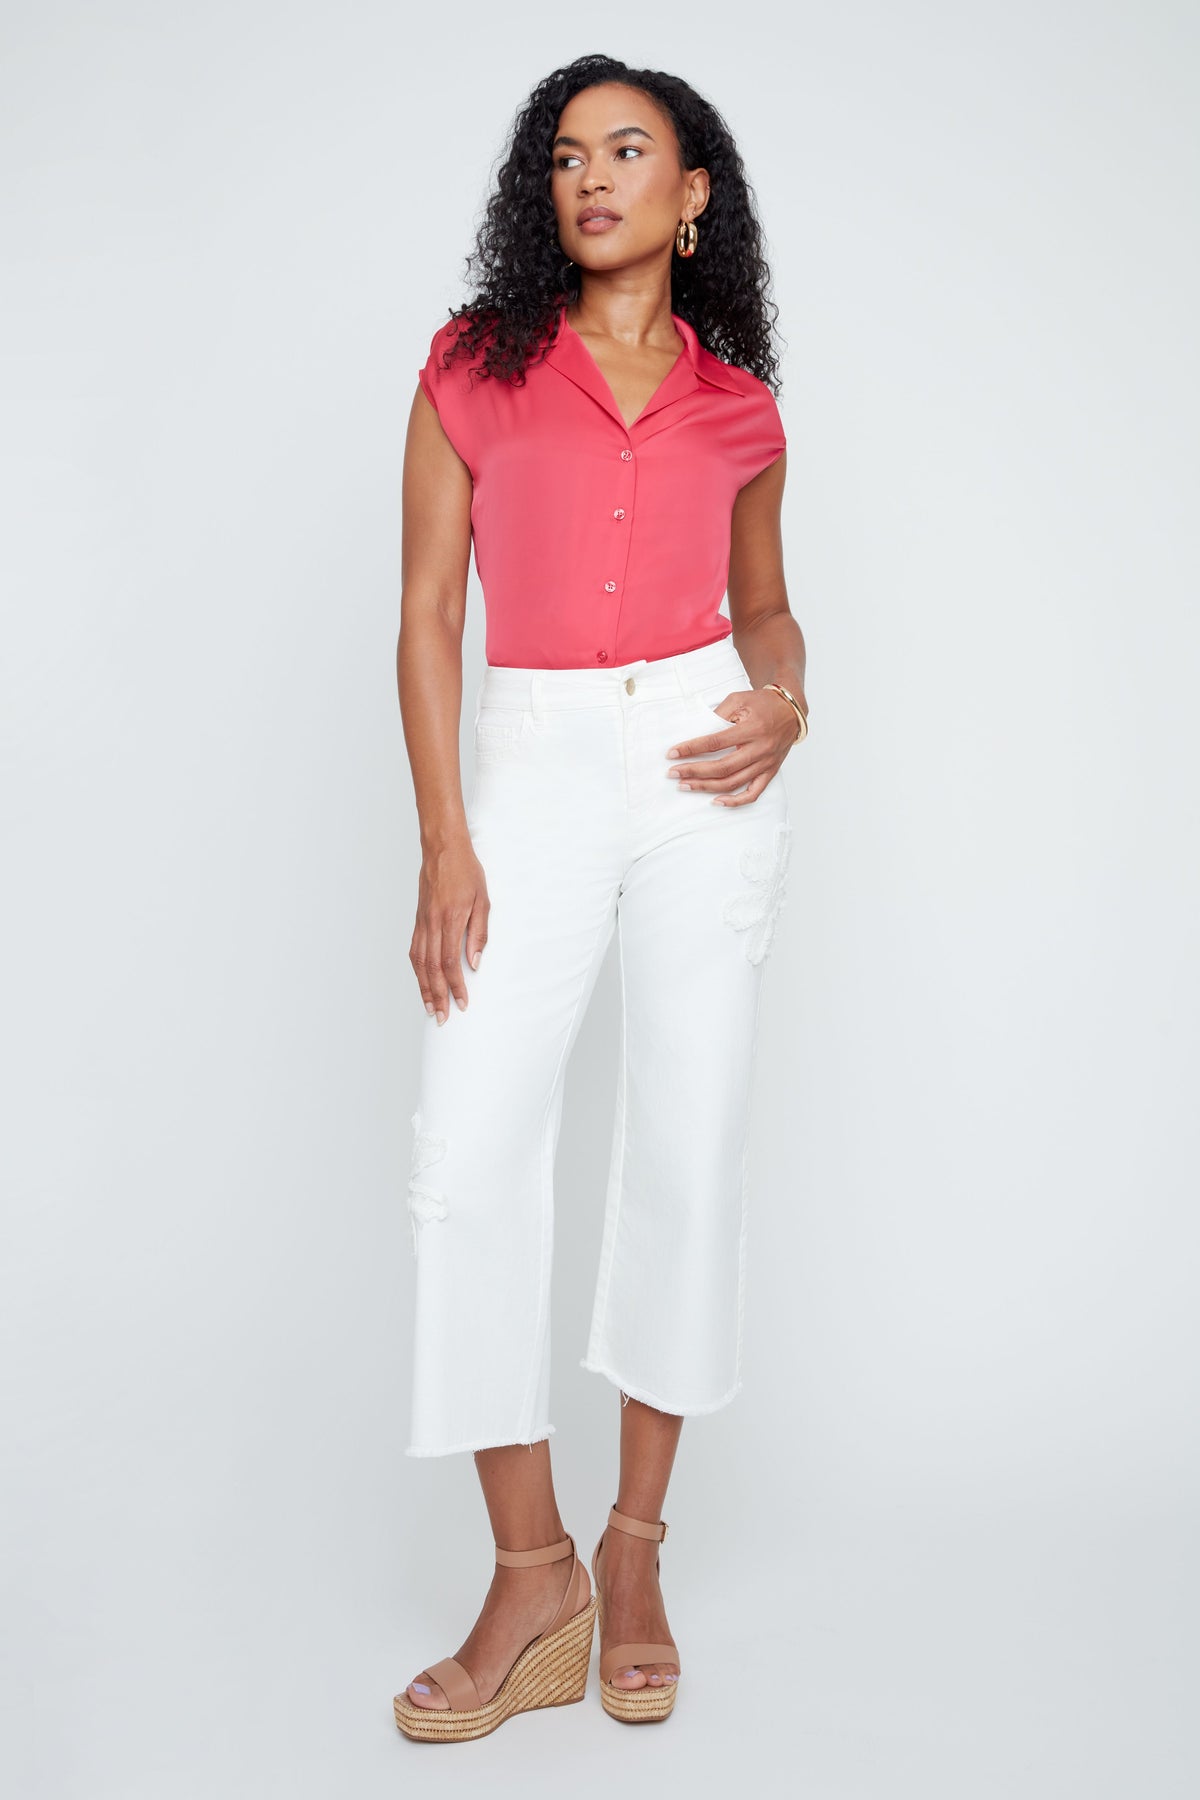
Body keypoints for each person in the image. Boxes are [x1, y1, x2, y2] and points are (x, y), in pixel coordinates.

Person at [392, 54, 809, 1743]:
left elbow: (767, 609)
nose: (592, 178)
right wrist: (447, 838)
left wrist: (787, 699)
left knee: (687, 1144)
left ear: (693, 194)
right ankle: (531, 1568)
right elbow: (429, 613)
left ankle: (634, 1551)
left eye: (629, 151)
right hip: (531, 767)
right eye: (566, 155)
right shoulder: (472, 368)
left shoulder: (743, 409)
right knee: (468, 1153)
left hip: (705, 771)